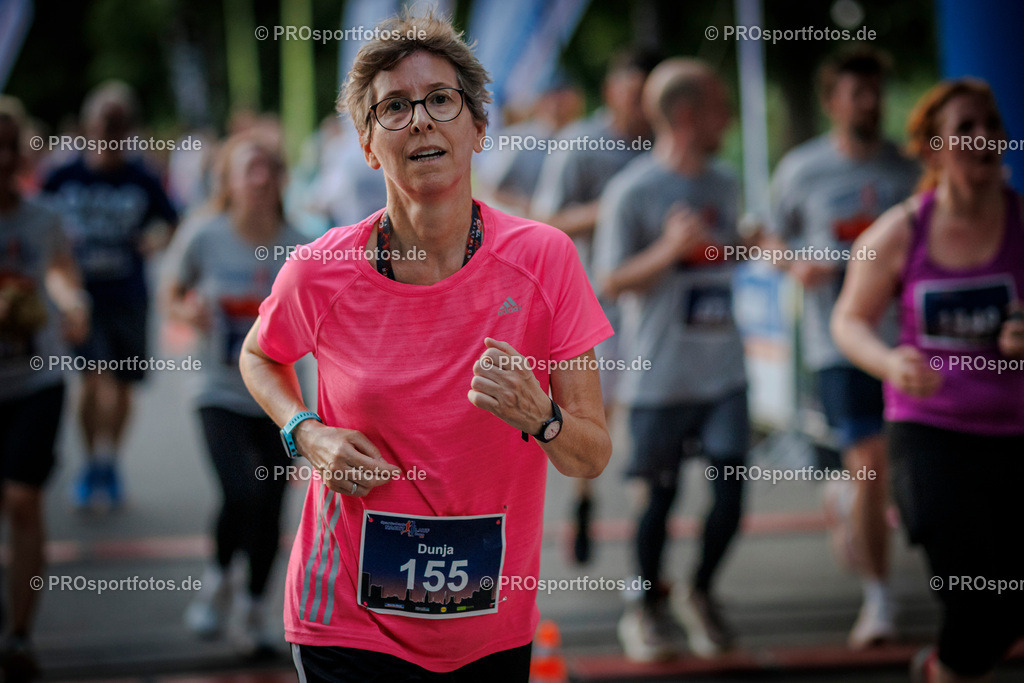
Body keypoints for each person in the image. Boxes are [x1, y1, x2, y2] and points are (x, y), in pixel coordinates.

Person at [238, 10, 612, 681]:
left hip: (490, 622)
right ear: (366, 144)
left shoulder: (545, 260)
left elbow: (590, 454)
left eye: (441, 99)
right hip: (346, 617)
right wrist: (307, 431)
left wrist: (542, 416)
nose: (420, 120)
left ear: (478, 128)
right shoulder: (319, 269)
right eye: (394, 107)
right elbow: (259, 353)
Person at [832, 78, 1024, 682]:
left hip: (1017, 432)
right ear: (933, 150)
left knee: (1009, 601)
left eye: (990, 123)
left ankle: (941, 670)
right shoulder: (896, 234)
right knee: (975, 596)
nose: (984, 137)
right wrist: (890, 362)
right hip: (933, 434)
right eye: (964, 127)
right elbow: (848, 320)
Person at [765, 47, 918, 648]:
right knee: (872, 460)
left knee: (903, 472)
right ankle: (879, 600)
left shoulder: (907, 170)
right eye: (857, 93)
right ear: (833, 102)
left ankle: (848, 498)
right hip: (841, 345)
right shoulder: (802, 170)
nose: (870, 103)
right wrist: (793, 263)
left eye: (876, 91)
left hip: (907, 342)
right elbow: (765, 233)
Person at [594, 58, 746, 661]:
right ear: (687, 115)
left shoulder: (725, 182)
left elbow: (728, 251)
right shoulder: (633, 190)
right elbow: (609, 278)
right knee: (656, 499)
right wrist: (668, 249)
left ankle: (700, 591)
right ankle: (644, 607)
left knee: (731, 494)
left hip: (724, 372)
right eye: (719, 106)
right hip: (658, 375)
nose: (729, 118)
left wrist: (741, 244)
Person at [163, 131, 303, 654]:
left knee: (270, 506)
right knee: (241, 492)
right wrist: (188, 311)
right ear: (228, 179)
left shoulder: (298, 243)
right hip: (217, 390)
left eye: (270, 168)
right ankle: (219, 580)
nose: (262, 178)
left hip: (280, 396)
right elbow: (171, 294)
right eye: (251, 168)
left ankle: (252, 612)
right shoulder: (204, 237)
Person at [531, 47, 658, 565]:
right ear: (612, 92)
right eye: (632, 97)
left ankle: (643, 542)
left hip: (652, 308)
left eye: (648, 100)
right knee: (596, 415)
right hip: (592, 305)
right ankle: (584, 501)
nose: (640, 110)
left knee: (643, 421)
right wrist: (613, 208)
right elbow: (545, 225)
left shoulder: (664, 148)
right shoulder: (580, 145)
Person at [42, 81, 178, 510]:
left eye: (118, 124)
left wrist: (155, 241)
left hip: (130, 296)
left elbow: (172, 221)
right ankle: (90, 462)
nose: (110, 132)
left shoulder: (141, 177)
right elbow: (33, 222)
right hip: (82, 299)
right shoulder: (64, 177)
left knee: (122, 387)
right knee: (92, 377)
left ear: (129, 128)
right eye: (103, 123)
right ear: (87, 125)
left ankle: (109, 461)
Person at [0, 97, 90, 680]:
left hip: (37, 379)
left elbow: (60, 272)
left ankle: (18, 634)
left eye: (10, 145)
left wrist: (69, 301)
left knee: (23, 500)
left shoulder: (43, 217)